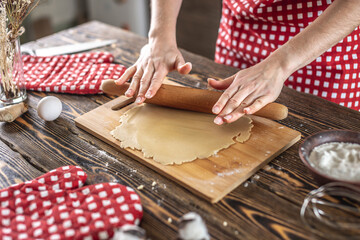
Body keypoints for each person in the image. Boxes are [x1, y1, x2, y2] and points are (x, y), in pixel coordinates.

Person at [115, 0, 360, 125]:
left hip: (321, 49)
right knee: (227, 113)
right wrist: (159, 36)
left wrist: (281, 63)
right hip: (239, 35)